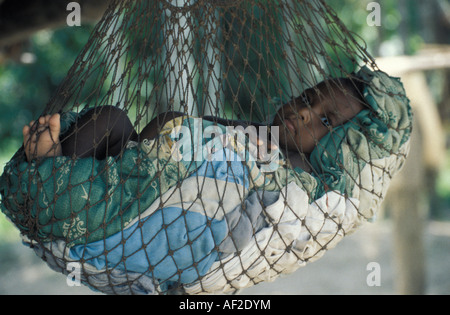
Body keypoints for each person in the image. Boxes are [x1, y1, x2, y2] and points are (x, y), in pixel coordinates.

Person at [22, 78, 366, 172]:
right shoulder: (259, 130)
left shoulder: (297, 167)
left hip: (157, 192)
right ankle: (55, 170)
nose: (305, 112)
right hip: (128, 156)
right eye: (307, 98)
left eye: (324, 120)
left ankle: (52, 170)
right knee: (110, 116)